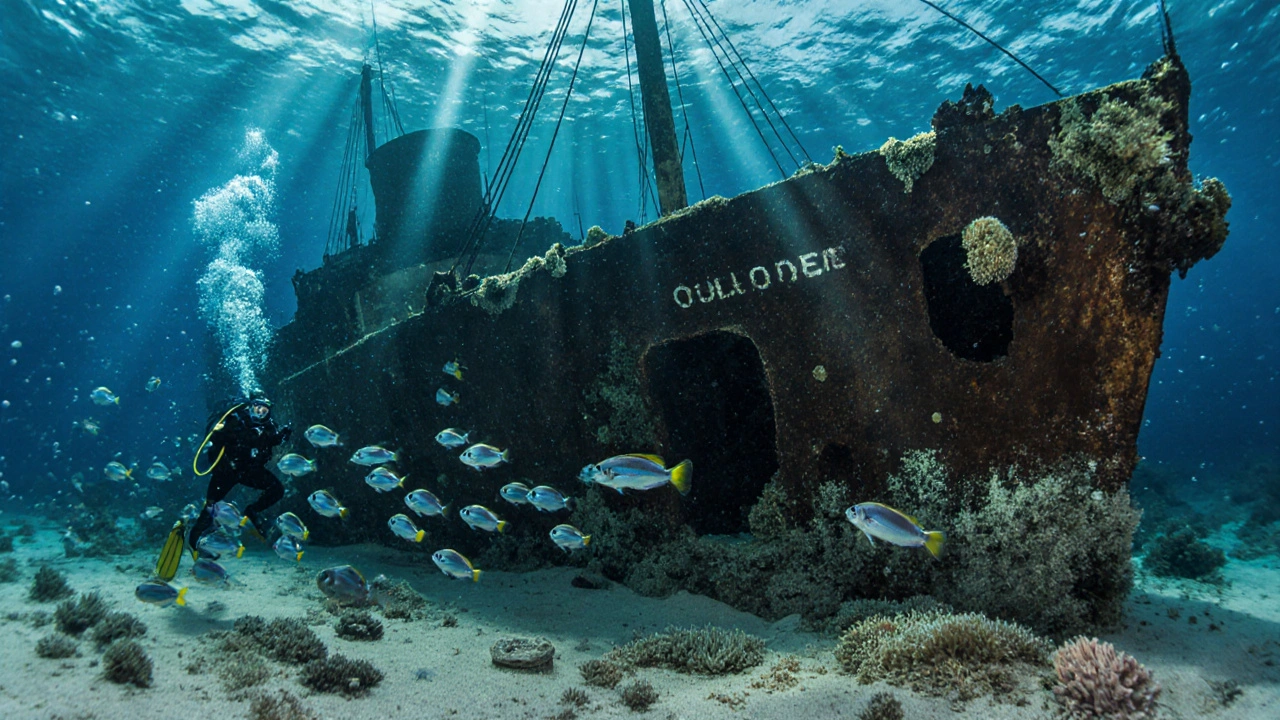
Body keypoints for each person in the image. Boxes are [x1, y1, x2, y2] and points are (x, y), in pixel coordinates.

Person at [188, 393, 291, 556]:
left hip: (250, 471)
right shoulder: (235, 420)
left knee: (277, 490)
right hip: (226, 472)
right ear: (250, 407)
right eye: (257, 409)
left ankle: (253, 511)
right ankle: (194, 542)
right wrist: (222, 432)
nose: (260, 413)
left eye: (264, 411)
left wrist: (282, 437)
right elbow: (216, 438)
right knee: (211, 507)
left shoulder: (268, 426)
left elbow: (271, 440)